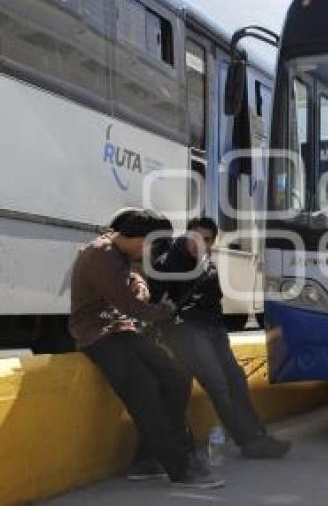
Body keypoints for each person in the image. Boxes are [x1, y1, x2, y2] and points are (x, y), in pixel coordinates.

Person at [69, 208, 224, 489]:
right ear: (140, 239)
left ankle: (146, 460)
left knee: (176, 377)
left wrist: (139, 285)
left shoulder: (119, 250)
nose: (151, 251)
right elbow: (130, 306)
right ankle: (180, 467)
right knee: (145, 392)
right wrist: (160, 310)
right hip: (98, 335)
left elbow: (132, 283)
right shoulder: (99, 255)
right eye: (151, 244)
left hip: (122, 330)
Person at [150, 216, 291, 459]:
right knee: (219, 384)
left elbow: (215, 299)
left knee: (236, 378)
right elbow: (159, 305)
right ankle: (250, 442)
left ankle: (257, 436)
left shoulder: (207, 264)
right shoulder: (167, 263)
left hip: (211, 329)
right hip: (185, 331)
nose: (200, 244)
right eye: (196, 238)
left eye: (207, 240)